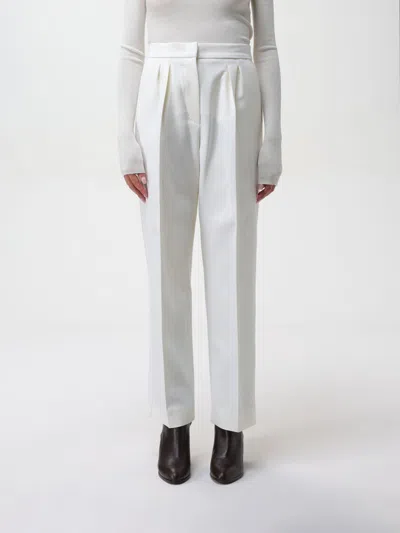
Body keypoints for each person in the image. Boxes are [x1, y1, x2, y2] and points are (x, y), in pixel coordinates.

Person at [117, 0, 282, 485]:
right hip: (162, 88)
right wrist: (125, 138)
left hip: (233, 84)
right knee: (165, 265)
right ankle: (174, 421)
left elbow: (266, 46)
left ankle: (231, 422)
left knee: (233, 265)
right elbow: (131, 48)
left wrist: (272, 141)